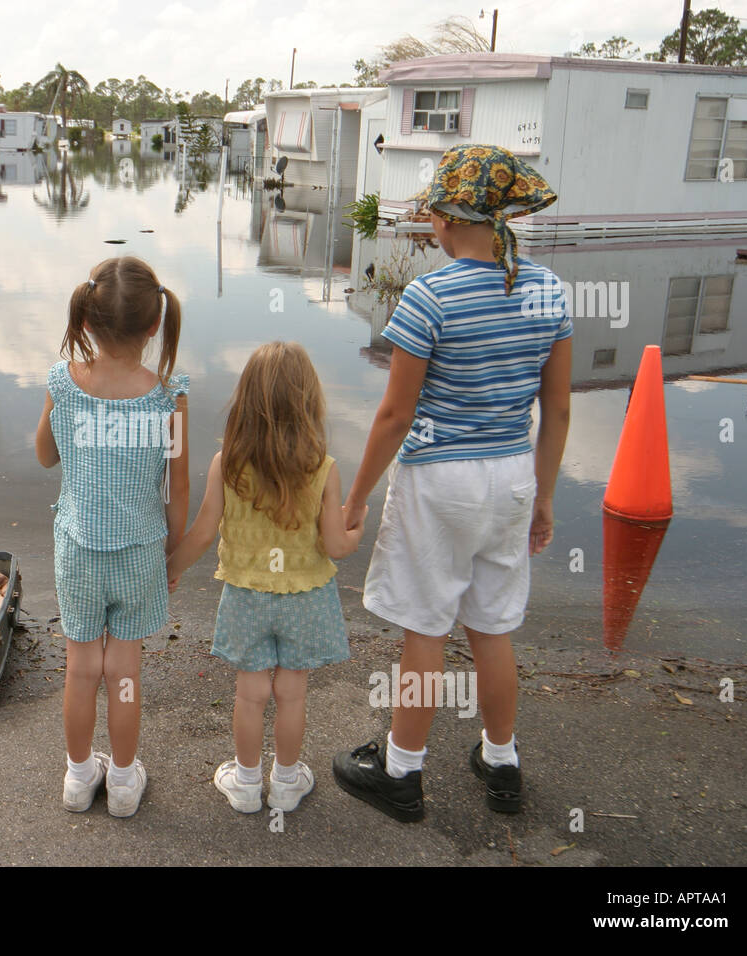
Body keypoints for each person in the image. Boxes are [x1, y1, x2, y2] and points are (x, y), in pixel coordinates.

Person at [332, 144, 572, 822]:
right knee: (493, 627)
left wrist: (356, 500)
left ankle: (402, 773)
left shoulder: (428, 297)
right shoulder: (549, 290)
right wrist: (545, 497)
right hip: (512, 476)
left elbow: (394, 415)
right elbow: (556, 409)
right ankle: (502, 764)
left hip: (442, 481)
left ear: (445, 218)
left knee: (427, 631)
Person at [166, 342, 364, 813]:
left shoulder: (227, 466)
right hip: (305, 597)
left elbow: (201, 532)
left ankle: (248, 784)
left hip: (248, 597)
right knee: (292, 694)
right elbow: (336, 546)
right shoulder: (324, 469)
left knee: (251, 693)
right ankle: (289, 782)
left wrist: (170, 569)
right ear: (308, 402)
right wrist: (357, 528)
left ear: (246, 402)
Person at [35, 255, 188, 818]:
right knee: (123, 670)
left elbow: (46, 456)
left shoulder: (64, 382)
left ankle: (79, 779)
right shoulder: (167, 397)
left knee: (80, 667)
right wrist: (171, 552)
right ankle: (123, 784)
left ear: (87, 321)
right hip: (140, 549)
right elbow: (178, 483)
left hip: (78, 548)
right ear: (155, 326)